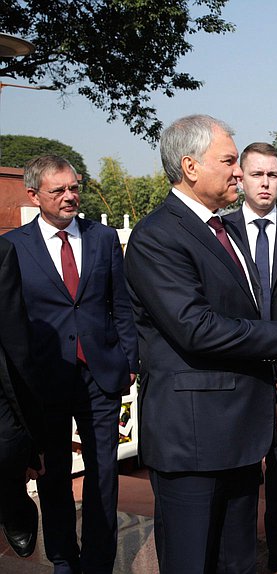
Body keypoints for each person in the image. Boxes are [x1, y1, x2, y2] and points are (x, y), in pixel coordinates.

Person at [123, 115, 277, 574]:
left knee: (236, 561)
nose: (239, 171)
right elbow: (195, 327)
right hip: (192, 440)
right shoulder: (157, 236)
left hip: (239, 435)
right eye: (230, 161)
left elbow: (247, 314)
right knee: (191, 561)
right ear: (190, 166)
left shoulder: (226, 230)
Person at [5, 155, 139, 574]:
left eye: (74, 187)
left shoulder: (101, 238)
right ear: (33, 195)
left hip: (100, 375)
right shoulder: (13, 247)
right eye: (58, 190)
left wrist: (129, 360)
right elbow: (11, 318)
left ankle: (99, 561)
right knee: (53, 475)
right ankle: (64, 558)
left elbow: (122, 304)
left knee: (104, 474)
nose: (70, 196)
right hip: (46, 381)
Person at [222, 142, 277, 574]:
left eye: (273, 175)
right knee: (235, 468)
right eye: (257, 174)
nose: (265, 183)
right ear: (240, 178)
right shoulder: (220, 229)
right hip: (235, 368)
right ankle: (230, 552)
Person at [0, 237, 45, 559]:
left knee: (6, 450)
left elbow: (16, 340)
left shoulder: (2, 254)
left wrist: (33, 441)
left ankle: (12, 500)